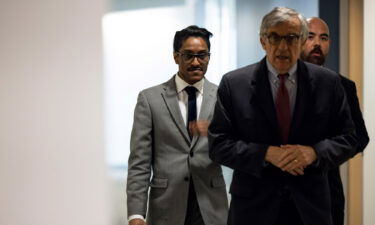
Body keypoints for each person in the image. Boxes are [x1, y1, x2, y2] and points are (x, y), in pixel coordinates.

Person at [208, 7, 358, 225]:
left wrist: (314, 153)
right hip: (253, 210)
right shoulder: (234, 84)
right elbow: (218, 145)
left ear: (302, 40)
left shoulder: (328, 83)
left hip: (310, 209)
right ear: (263, 41)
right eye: (274, 37)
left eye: (291, 38)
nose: (282, 47)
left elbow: (349, 138)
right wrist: (265, 153)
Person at [126, 25, 228, 225]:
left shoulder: (223, 96)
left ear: (209, 57)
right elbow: (140, 162)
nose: (196, 62)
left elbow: (236, 146)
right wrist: (136, 214)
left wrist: (216, 132)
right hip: (166, 207)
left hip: (211, 208)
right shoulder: (150, 99)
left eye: (202, 55)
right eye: (188, 55)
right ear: (176, 57)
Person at [300, 17, 369, 225]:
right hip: (276, 195)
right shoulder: (277, 82)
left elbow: (359, 137)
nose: (317, 44)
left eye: (324, 38)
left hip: (326, 192)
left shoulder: (343, 86)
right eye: (310, 36)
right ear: (298, 40)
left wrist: (318, 153)